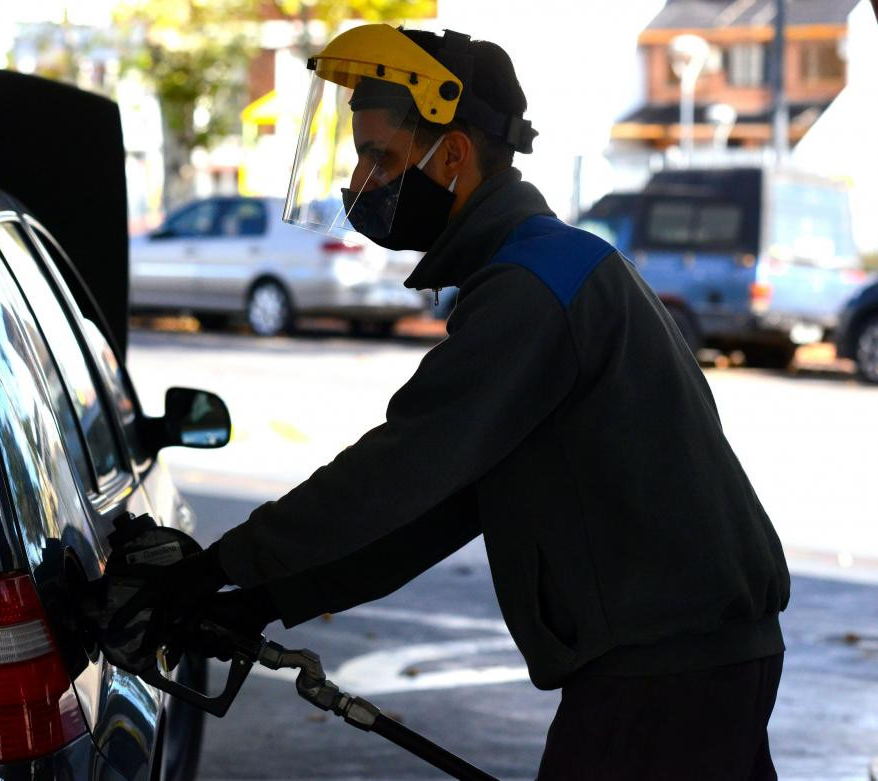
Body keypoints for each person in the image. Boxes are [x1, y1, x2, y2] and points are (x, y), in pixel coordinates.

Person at [135, 25, 789, 780]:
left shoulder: (529, 293)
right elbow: (443, 502)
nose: (358, 183)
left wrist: (217, 565)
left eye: (380, 156)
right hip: (694, 660)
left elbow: (400, 467)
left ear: (452, 155)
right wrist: (263, 597)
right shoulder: (548, 266)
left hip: (664, 672)